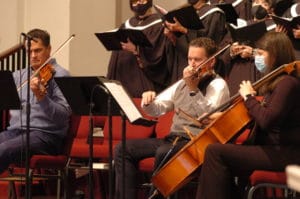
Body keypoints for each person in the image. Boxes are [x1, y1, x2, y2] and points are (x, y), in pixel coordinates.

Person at [113, 37, 230, 199]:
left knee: (164, 152)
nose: (192, 64)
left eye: (198, 60)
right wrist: (148, 101)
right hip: (173, 139)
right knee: (122, 148)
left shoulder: (217, 85)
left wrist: (193, 89)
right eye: (190, 59)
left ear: (211, 62)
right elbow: (158, 109)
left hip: (197, 143)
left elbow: (207, 115)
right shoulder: (183, 82)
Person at [196, 31, 300, 199]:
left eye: (260, 54)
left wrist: (248, 97)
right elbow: (264, 115)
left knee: (215, 152)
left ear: (275, 55)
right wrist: (222, 116)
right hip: (273, 148)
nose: (257, 58)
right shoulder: (276, 82)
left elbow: (267, 121)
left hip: (286, 152)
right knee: (222, 162)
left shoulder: (287, 83)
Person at [0, 28, 72, 173]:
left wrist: (42, 98)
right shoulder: (18, 76)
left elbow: (63, 115)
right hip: (16, 132)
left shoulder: (60, 75)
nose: (33, 56)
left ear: (49, 49)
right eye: (29, 51)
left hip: (46, 136)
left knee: (4, 149)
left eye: (38, 50)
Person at [107, 0, 169, 98]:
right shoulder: (126, 25)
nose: (138, 3)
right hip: (123, 79)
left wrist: (137, 50)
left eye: (142, 0)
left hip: (145, 85)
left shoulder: (159, 25)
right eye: (134, 1)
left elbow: (160, 55)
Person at [164, 0, 227, 82]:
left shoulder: (214, 13)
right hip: (182, 68)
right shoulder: (185, 13)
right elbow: (184, 47)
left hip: (201, 73)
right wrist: (172, 37)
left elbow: (209, 44)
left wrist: (184, 30)